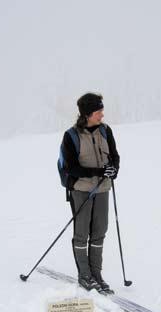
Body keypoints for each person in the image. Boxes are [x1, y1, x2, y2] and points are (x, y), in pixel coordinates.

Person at [62, 92, 120, 293]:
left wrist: (114, 170)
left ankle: (96, 274)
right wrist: (98, 171)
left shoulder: (106, 131)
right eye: (98, 111)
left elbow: (114, 156)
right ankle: (85, 276)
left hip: (103, 189)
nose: (102, 115)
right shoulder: (71, 136)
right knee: (81, 234)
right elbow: (71, 168)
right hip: (81, 191)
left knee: (99, 232)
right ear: (87, 113)